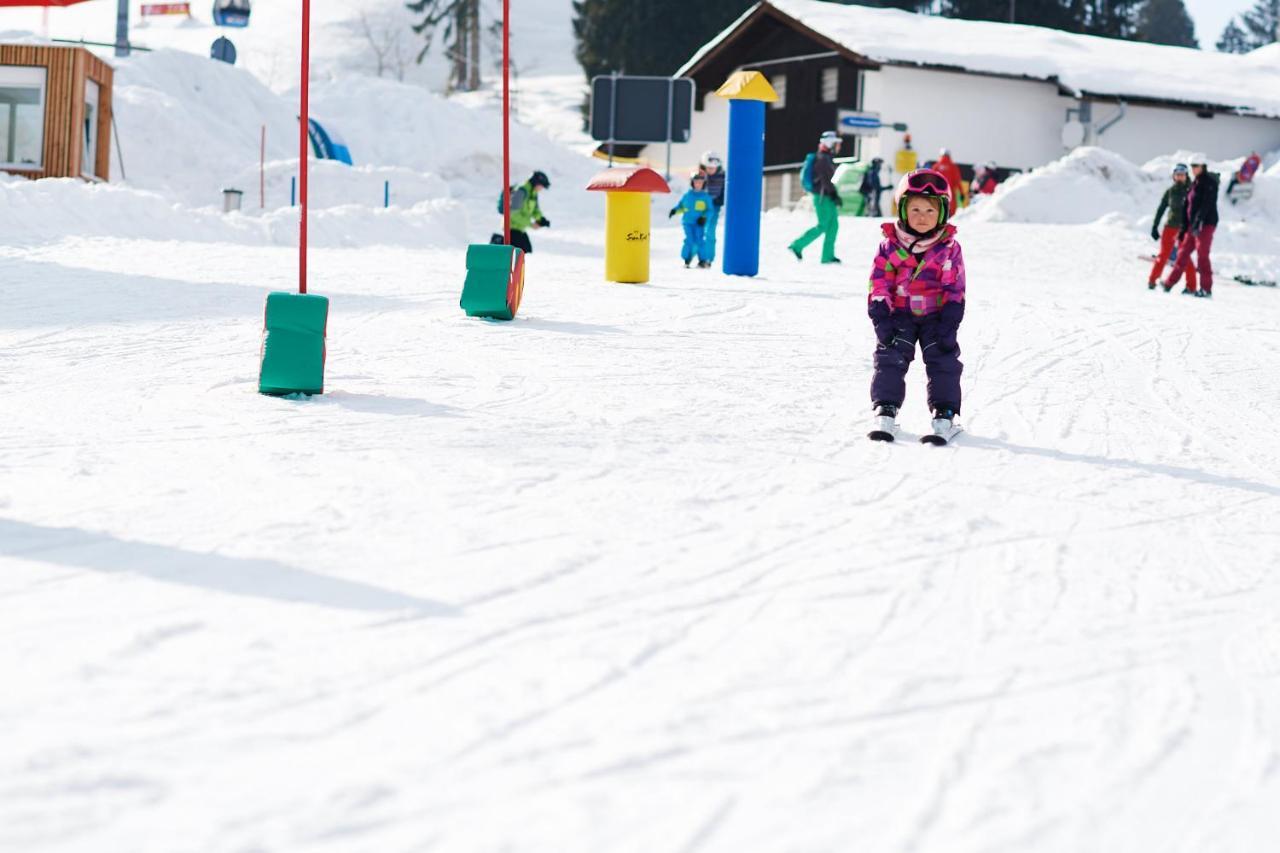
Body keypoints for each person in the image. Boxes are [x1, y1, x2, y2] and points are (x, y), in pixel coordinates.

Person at [866, 168, 966, 440]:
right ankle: (885, 410)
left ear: (943, 213)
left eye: (930, 211)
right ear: (903, 210)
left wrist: (951, 318)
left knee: (943, 361)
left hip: (936, 317)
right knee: (890, 359)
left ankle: (944, 414)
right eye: (916, 210)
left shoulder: (948, 248)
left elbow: (954, 285)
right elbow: (879, 282)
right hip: (899, 316)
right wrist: (881, 315)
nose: (923, 217)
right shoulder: (889, 246)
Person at [1161, 154, 1219, 298]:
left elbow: (1207, 204)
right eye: (1192, 166)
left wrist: (1199, 221)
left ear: (1203, 166)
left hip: (1205, 225)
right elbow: (1188, 208)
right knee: (1182, 254)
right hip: (1192, 226)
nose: (1193, 169)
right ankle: (1169, 283)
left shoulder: (1209, 183)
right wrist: (1183, 229)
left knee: (1202, 256)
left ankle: (1206, 289)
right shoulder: (1194, 184)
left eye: (1196, 166)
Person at [788, 131, 843, 264]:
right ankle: (797, 245)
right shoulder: (822, 159)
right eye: (836, 143)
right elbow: (825, 180)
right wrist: (834, 194)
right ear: (829, 143)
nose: (838, 147)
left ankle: (827, 256)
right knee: (823, 225)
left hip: (827, 196)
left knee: (833, 226)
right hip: (822, 197)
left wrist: (834, 194)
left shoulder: (826, 158)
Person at [1147, 164, 1195, 291]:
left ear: (1186, 176)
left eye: (1182, 175)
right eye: (1177, 175)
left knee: (1185, 257)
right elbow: (1161, 209)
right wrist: (1155, 226)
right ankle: (1152, 281)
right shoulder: (1170, 191)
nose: (1180, 177)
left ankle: (1191, 286)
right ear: (1174, 176)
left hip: (1184, 229)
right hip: (1170, 227)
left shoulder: (1191, 190)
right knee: (1163, 255)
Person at [495, 170, 550, 254]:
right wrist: (531, 224)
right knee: (520, 254)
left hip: (520, 229)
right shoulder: (521, 191)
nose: (541, 189)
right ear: (536, 183)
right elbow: (512, 214)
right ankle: (496, 244)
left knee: (526, 252)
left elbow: (535, 210)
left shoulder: (533, 193)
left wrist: (541, 219)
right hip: (511, 229)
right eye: (541, 186)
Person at [668, 171, 715, 268]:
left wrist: (704, 217)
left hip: (699, 223)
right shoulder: (687, 196)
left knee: (699, 240)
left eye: (700, 182)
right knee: (689, 240)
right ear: (692, 183)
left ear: (704, 184)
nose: (698, 184)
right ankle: (686, 259)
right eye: (696, 182)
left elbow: (710, 210)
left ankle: (703, 260)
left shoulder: (705, 197)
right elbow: (681, 207)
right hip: (688, 222)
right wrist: (674, 211)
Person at [697, 151, 726, 262]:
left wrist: (719, 200)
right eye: (708, 168)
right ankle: (700, 256)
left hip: (714, 206)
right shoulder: (700, 176)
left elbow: (724, 191)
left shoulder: (723, 176)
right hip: (701, 207)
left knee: (710, 231)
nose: (710, 170)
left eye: (713, 168)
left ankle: (709, 257)